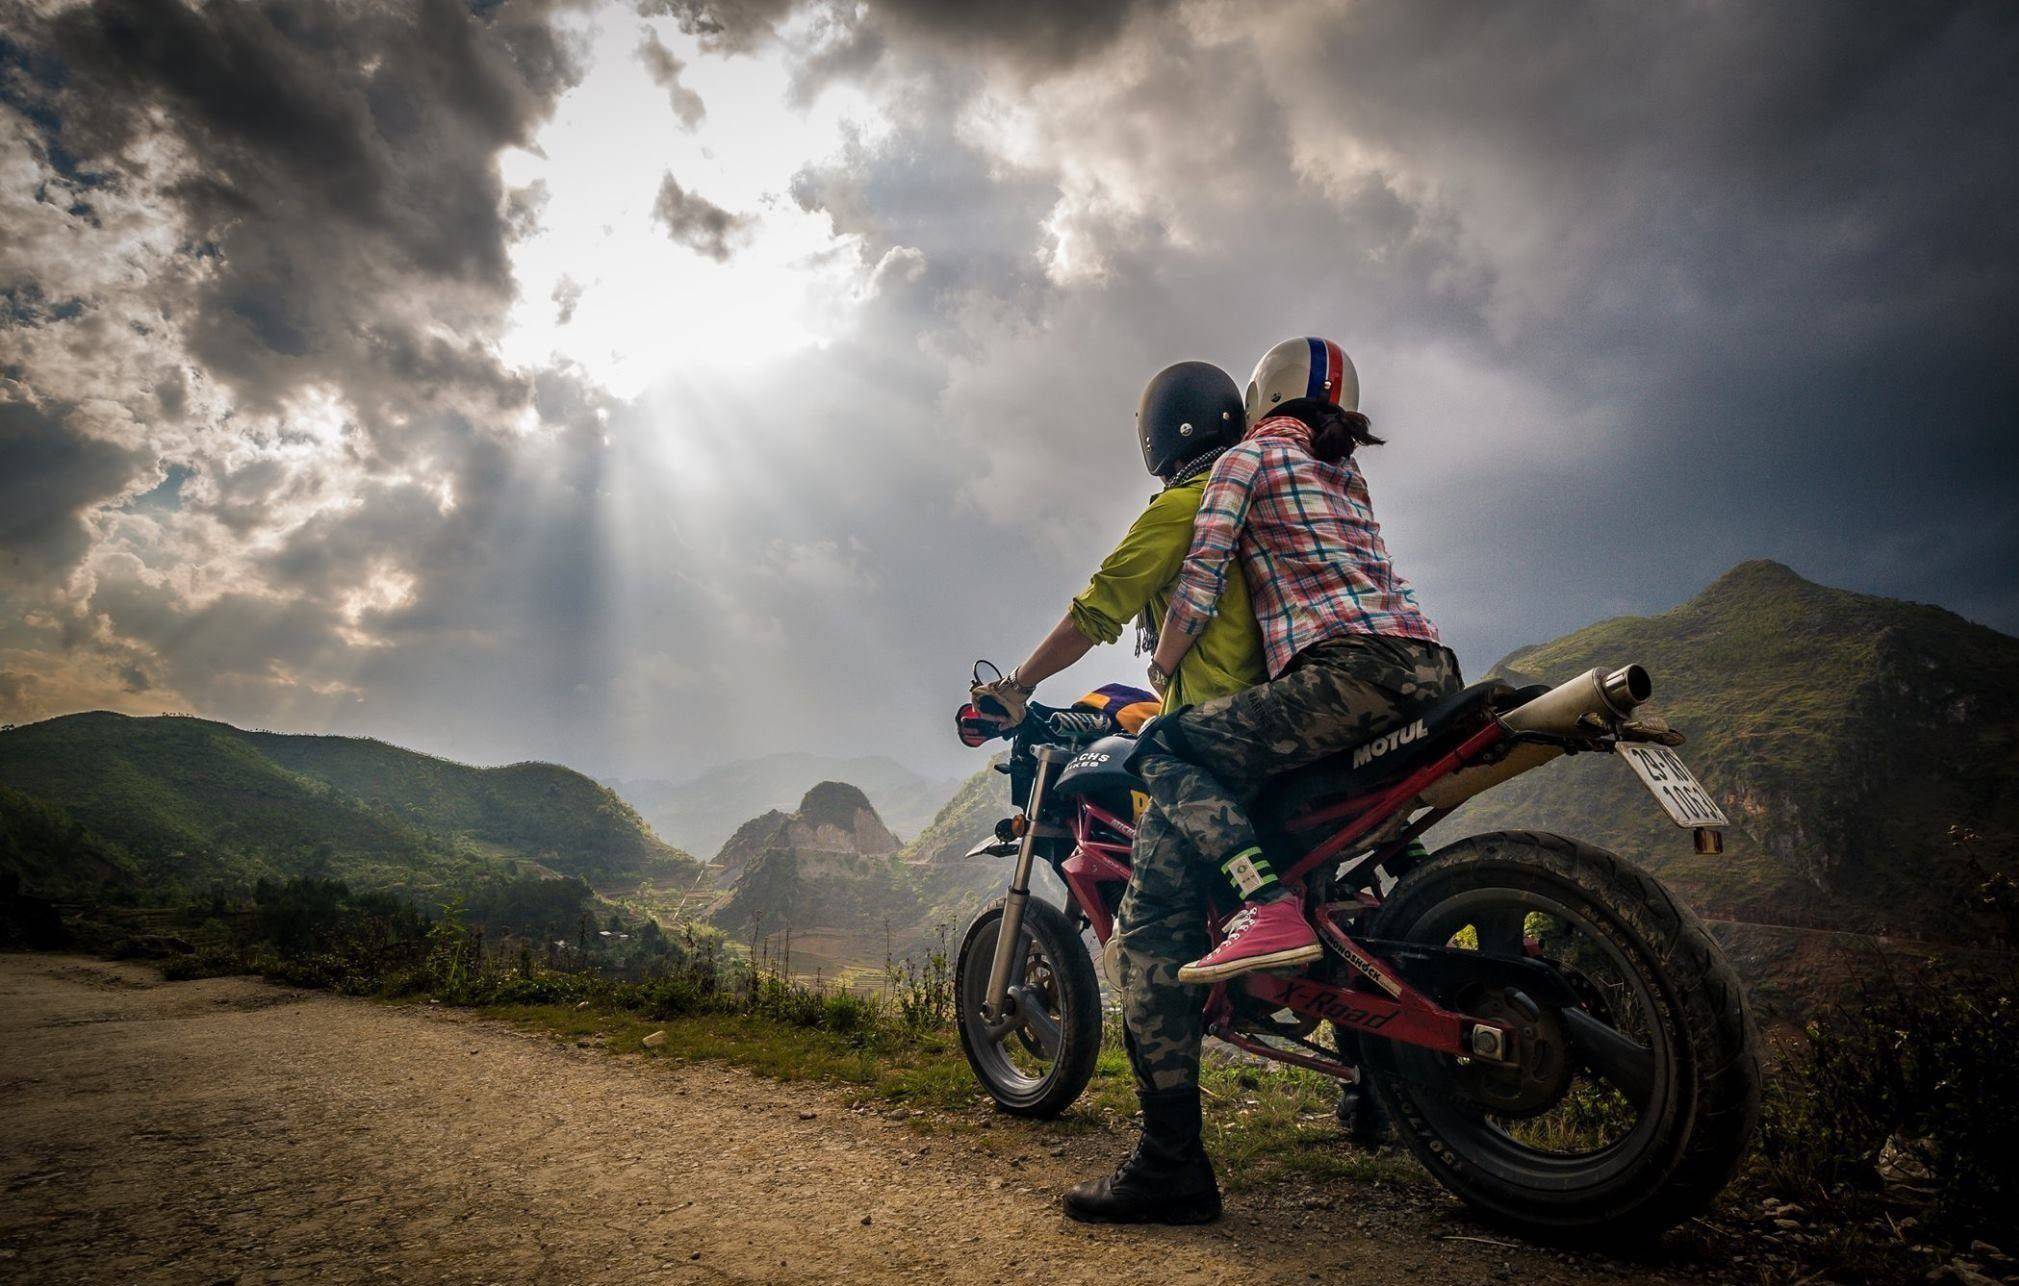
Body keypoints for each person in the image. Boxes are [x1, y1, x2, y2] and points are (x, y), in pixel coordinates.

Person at [1060, 337, 1462, 1223]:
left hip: (1331, 679)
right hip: (1431, 668)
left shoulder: (1235, 468)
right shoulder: (1343, 470)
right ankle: (1378, 1084)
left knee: (1154, 893)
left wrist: (1161, 672)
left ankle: (1172, 1161)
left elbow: (1196, 583)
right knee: (1349, 871)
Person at [970, 362, 1269, 1226]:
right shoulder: (1268, 500)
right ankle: (1374, 1095)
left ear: (1159, 434)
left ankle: (1173, 1163)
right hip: (1299, 724)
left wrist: (1017, 685)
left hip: (1217, 734)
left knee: (1143, 945)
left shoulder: (1188, 507)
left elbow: (1097, 611)